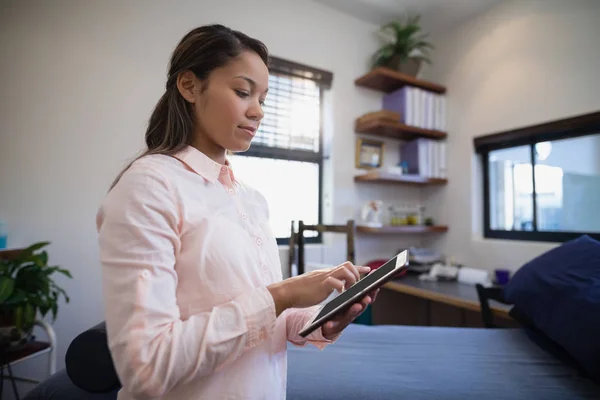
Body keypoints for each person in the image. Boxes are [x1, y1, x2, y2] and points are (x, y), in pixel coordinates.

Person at [96, 24, 378, 400]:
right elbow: (148, 366)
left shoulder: (250, 199)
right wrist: (283, 294)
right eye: (243, 92)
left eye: (263, 98)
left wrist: (318, 320)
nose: (258, 111)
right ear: (190, 86)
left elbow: (264, 320)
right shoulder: (149, 187)